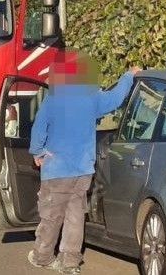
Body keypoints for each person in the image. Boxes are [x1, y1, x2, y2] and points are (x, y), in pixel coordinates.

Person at [27, 52, 141, 274]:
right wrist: (129, 75)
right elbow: (116, 98)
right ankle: (69, 262)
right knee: (75, 216)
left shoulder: (54, 97)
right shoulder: (92, 96)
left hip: (57, 166)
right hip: (83, 168)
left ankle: (42, 256)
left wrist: (37, 151)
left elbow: (39, 128)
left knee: (51, 215)